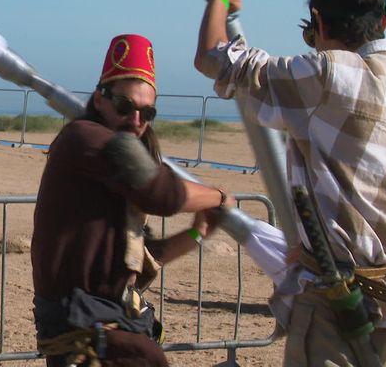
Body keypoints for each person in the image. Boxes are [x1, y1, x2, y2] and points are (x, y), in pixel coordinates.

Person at [194, 0, 386, 365]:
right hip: (382, 304)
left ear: (320, 21)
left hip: (332, 303)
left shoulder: (327, 74)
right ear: (383, 22)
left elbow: (213, 59)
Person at [31, 34, 234, 367]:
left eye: (146, 111)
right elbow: (163, 194)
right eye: (125, 107)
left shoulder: (114, 173)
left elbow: (142, 258)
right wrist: (220, 197)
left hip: (107, 323)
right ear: (100, 99)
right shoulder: (85, 138)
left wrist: (198, 233)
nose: (136, 120)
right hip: (85, 328)